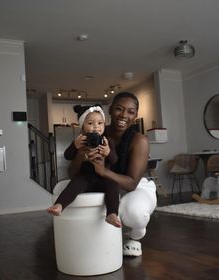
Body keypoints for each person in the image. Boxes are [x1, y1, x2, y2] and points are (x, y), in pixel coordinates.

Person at [68, 92, 157, 257]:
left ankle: (135, 236)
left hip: (133, 187)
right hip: (105, 184)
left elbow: (131, 184)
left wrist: (103, 170)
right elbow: (72, 173)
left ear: (136, 116)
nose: (124, 115)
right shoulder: (96, 130)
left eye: (130, 112)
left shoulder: (140, 140)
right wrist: (80, 155)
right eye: (119, 109)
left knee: (135, 213)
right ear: (110, 110)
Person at [47, 104, 122, 228]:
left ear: (104, 125)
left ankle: (112, 214)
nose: (96, 127)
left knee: (114, 184)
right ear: (82, 126)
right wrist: (75, 146)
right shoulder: (80, 141)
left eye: (100, 123)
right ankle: (59, 205)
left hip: (103, 179)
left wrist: (108, 152)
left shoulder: (107, 141)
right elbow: (67, 156)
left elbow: (114, 160)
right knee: (74, 183)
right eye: (90, 123)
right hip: (84, 178)